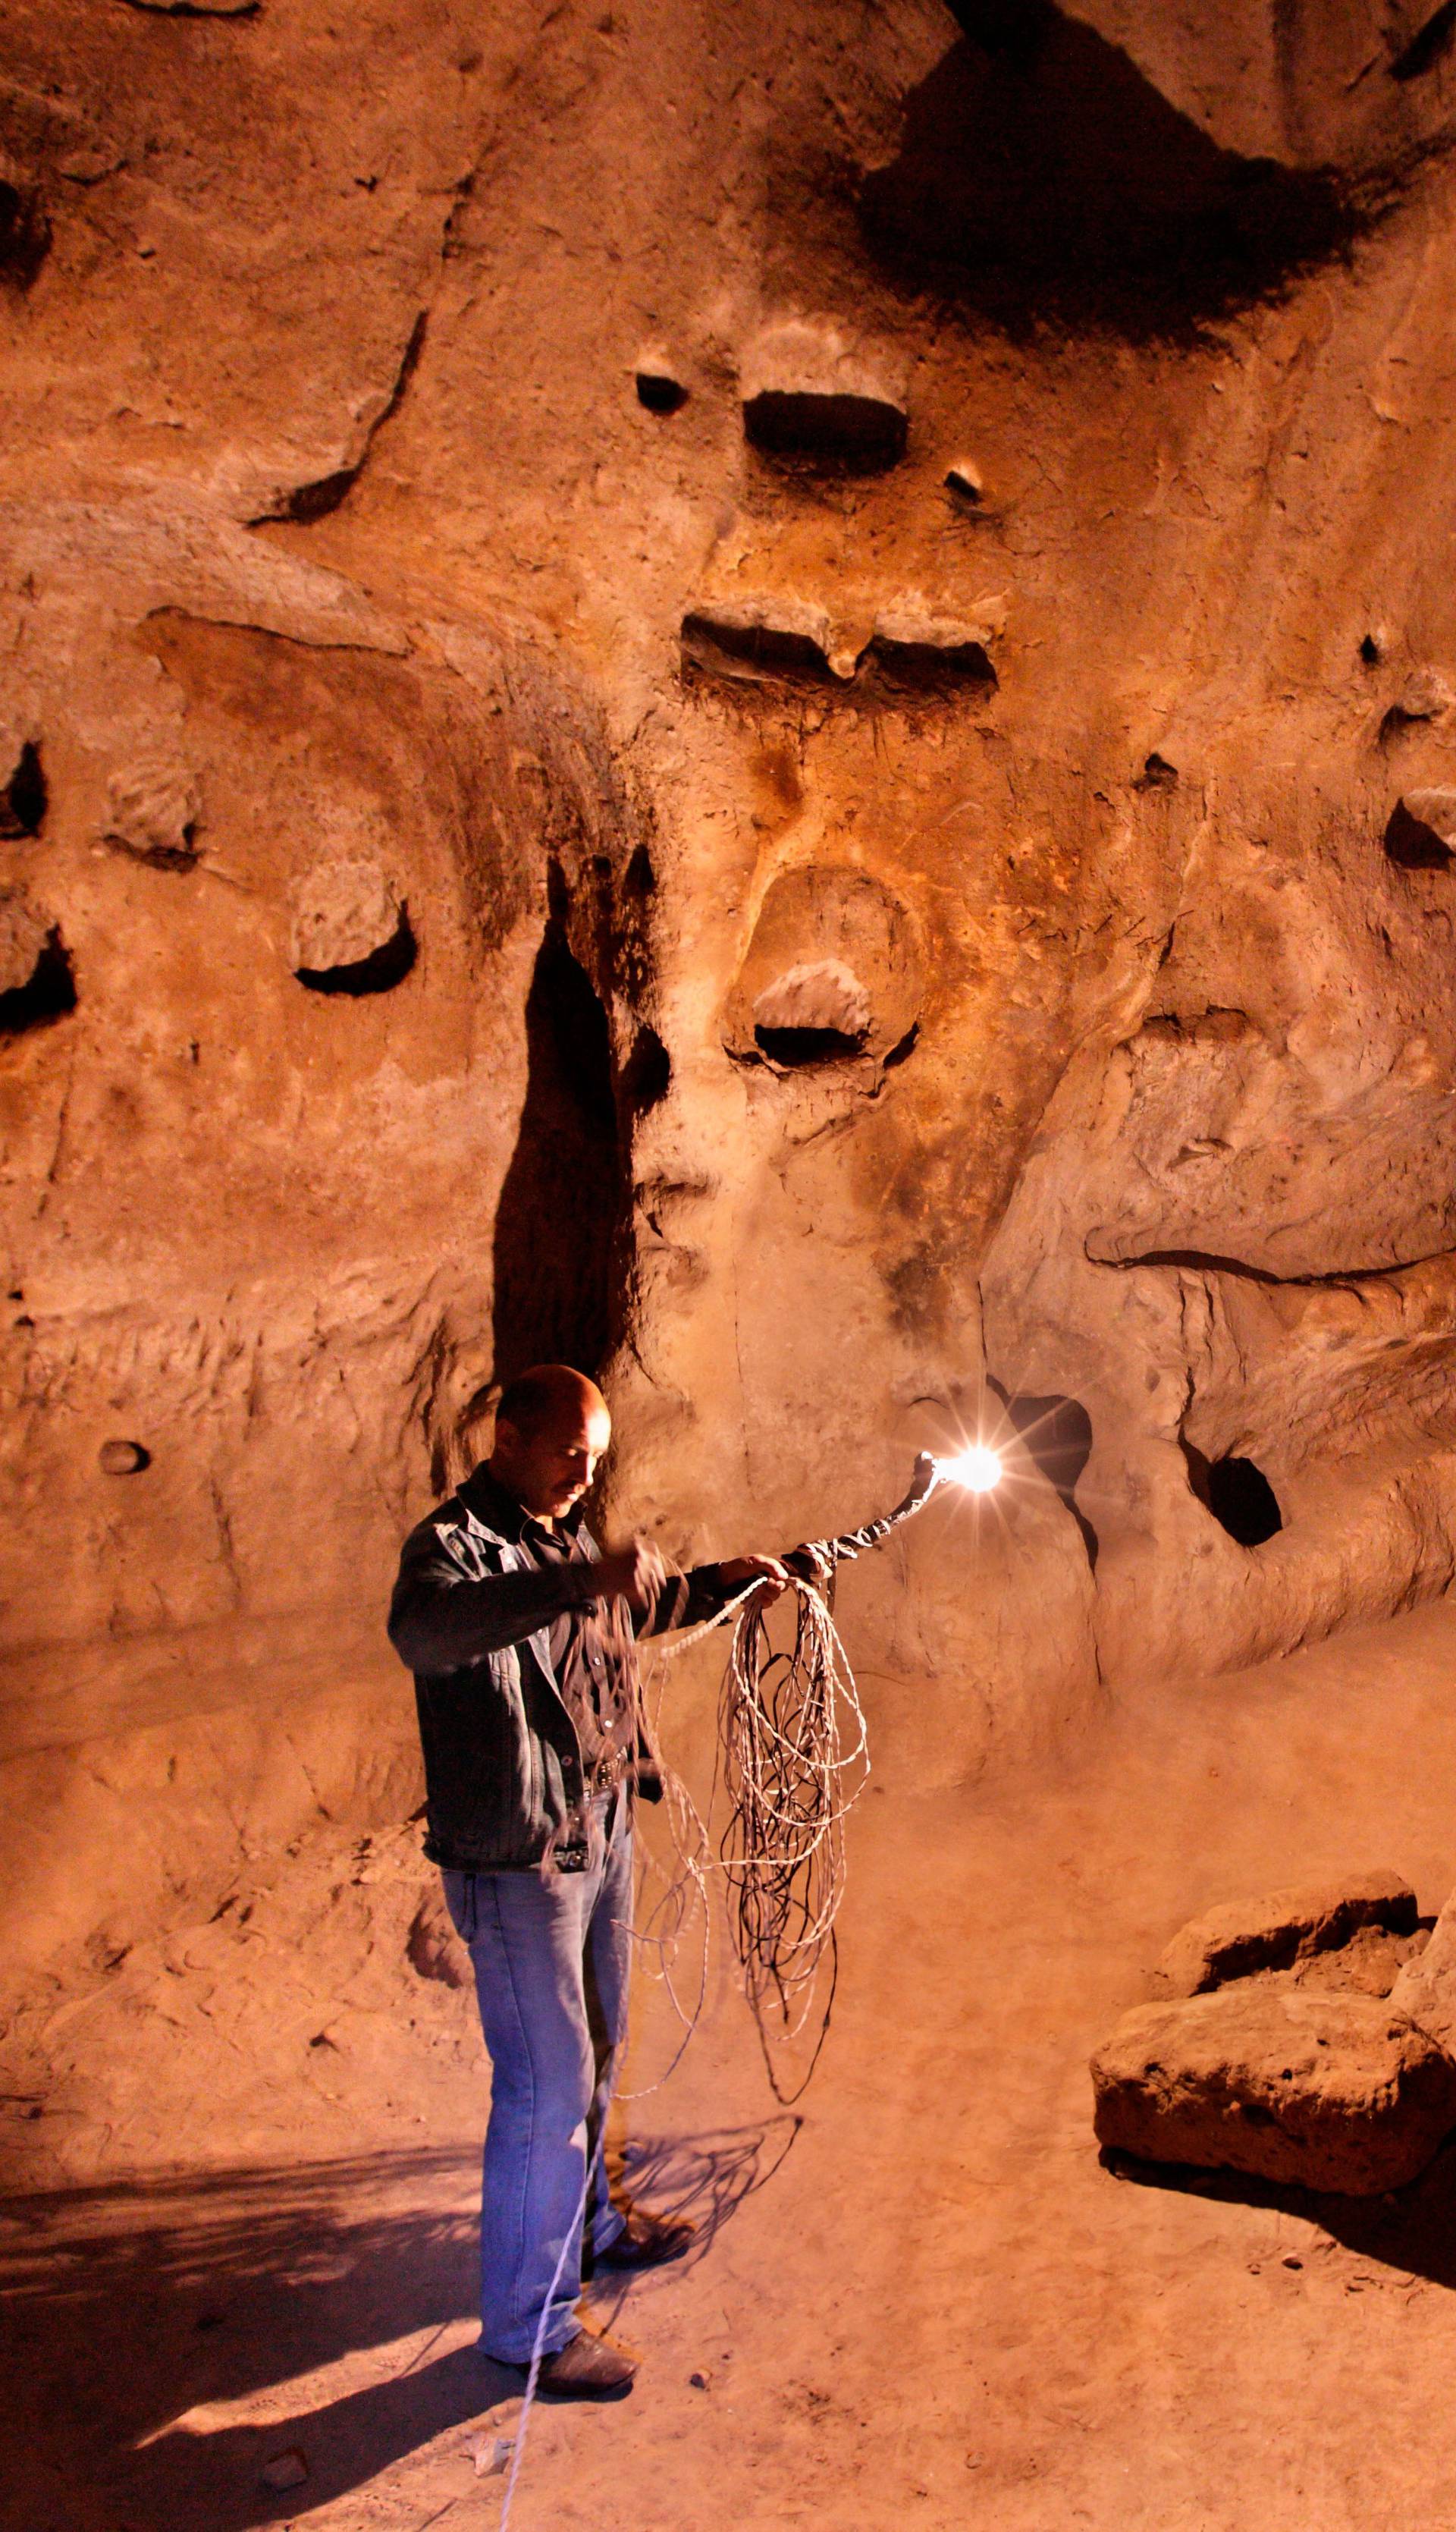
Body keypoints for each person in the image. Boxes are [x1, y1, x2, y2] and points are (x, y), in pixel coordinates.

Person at [387, 1362, 792, 2400]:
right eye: (570, 1450)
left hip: (598, 1827)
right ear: (508, 1435)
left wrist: (727, 1581)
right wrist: (577, 1578)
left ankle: (596, 2225)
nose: (582, 1472)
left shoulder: (561, 1534)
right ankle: (528, 2330)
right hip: (519, 1858)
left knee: (603, 2040)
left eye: (595, 1457)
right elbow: (424, 1633)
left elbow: (622, 1616)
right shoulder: (452, 1547)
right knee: (547, 2083)